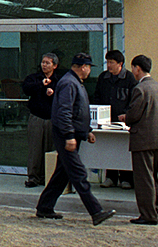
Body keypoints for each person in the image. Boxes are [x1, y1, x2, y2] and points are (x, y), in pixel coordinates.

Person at [34, 53, 117, 226]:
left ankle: (45, 206)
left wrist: (86, 131)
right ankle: (96, 211)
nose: (88, 71)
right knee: (78, 173)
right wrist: (69, 136)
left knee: (62, 174)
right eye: (88, 67)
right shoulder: (69, 83)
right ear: (83, 67)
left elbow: (78, 111)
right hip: (66, 136)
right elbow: (64, 113)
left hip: (70, 135)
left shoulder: (72, 83)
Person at [120, 54, 158, 225]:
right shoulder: (157, 87)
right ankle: (156, 210)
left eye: (133, 68)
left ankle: (148, 214)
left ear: (137, 68)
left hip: (143, 140)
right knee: (154, 177)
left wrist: (126, 117)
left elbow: (134, 115)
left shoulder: (140, 89)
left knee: (144, 179)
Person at [92, 49, 137, 189]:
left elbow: (134, 100)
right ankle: (110, 177)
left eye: (111, 62)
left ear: (120, 64)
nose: (109, 65)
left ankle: (126, 178)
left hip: (123, 122)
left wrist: (127, 114)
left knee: (123, 150)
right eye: (108, 62)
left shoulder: (130, 78)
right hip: (106, 121)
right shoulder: (103, 77)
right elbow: (97, 96)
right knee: (109, 149)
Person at [21, 52, 66, 188]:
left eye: (47, 63)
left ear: (55, 65)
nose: (44, 65)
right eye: (43, 62)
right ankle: (33, 177)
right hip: (37, 117)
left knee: (49, 148)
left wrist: (53, 92)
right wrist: (41, 85)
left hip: (53, 118)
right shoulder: (34, 78)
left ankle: (46, 176)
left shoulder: (60, 80)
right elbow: (26, 89)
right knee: (35, 149)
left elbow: (64, 96)